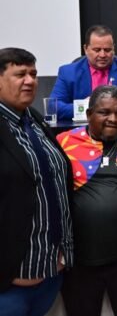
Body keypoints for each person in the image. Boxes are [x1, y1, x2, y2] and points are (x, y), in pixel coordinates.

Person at [57, 85, 117, 316]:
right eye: (104, 112)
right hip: (79, 257)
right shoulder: (64, 142)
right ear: (89, 114)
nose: (113, 119)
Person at [0, 48, 73, 315]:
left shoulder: (36, 121)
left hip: (50, 272)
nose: (30, 81)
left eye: (33, 73)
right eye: (20, 74)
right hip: (9, 283)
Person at [50, 25, 117, 119]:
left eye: (107, 50)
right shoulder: (68, 72)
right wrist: (87, 108)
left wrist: (115, 109)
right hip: (82, 127)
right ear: (85, 49)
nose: (102, 55)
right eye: (97, 50)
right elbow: (54, 106)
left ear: (113, 49)